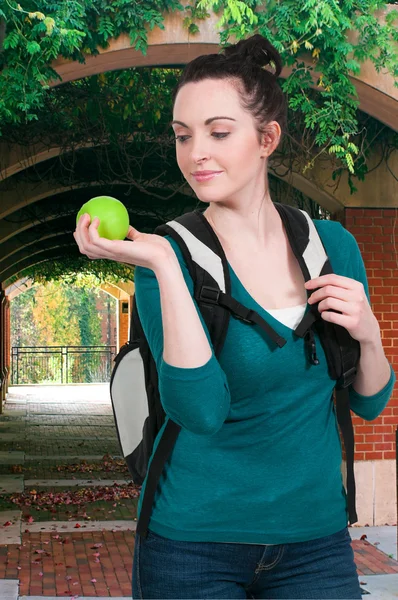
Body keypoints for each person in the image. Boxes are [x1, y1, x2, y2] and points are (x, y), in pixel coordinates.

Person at [74, 34, 395, 600]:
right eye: (182, 135)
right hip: (192, 545)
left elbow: (368, 402)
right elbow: (200, 410)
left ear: (266, 138)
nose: (196, 152)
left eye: (218, 133)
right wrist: (165, 266)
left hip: (315, 543)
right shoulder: (165, 257)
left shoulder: (332, 248)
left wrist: (368, 333)